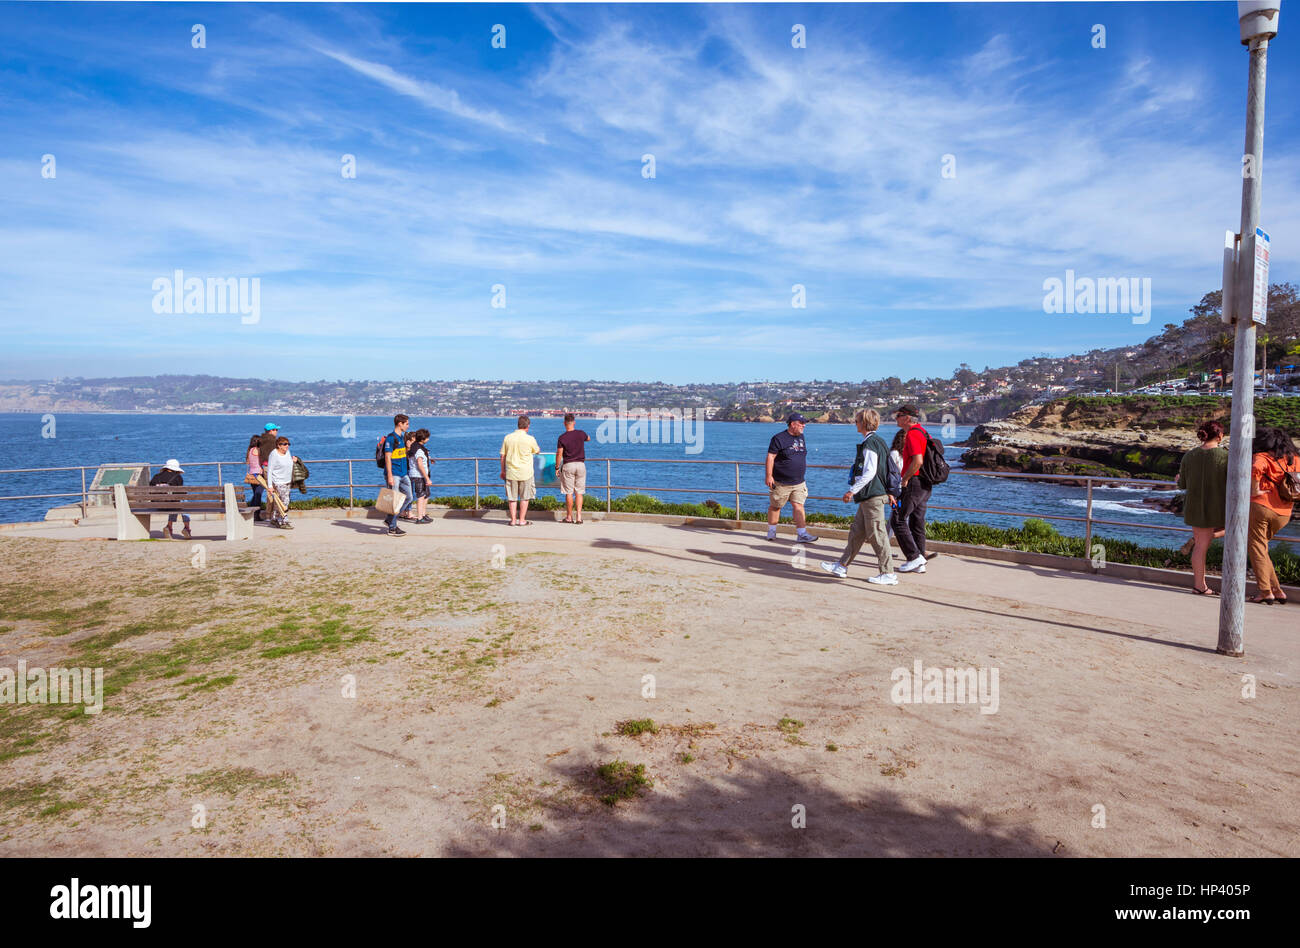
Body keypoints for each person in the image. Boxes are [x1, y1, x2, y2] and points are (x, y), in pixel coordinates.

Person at [820, 409, 897, 585]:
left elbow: (870, 472)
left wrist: (852, 490)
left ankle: (888, 573)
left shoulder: (870, 444)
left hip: (872, 496)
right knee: (857, 533)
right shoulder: (879, 442)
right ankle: (841, 565)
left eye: (856, 421)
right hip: (869, 496)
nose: (855, 423)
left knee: (877, 534)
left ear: (864, 423)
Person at [1247, 427, 1299, 605]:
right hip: (1284, 513)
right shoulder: (1295, 459)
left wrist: (1255, 489)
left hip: (1261, 507)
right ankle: (1277, 590)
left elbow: (1255, 469)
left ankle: (1265, 592)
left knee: (1257, 548)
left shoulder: (1263, 457)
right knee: (1261, 549)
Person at [1176, 420, 1228, 595]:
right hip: (1219, 507)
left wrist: (1178, 479)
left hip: (1195, 506)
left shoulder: (1189, 456)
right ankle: (1200, 586)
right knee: (1235, 530)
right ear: (1220, 436)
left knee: (1200, 545)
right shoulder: (1226, 456)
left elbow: (1182, 484)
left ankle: (1200, 584)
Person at [891, 404, 933, 574]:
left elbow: (917, 461)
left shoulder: (913, 434)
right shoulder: (923, 432)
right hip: (925, 484)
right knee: (917, 521)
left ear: (907, 418)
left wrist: (905, 479)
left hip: (914, 482)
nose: (896, 418)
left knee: (898, 519)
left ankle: (914, 557)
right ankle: (920, 560)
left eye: (899, 415)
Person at [765, 412, 817, 544]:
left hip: (799, 481)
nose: (804, 425)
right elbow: (771, 457)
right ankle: (771, 531)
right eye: (801, 423)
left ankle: (802, 534)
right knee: (776, 506)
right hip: (781, 482)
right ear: (793, 424)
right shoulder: (778, 438)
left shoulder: (801, 437)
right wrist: (769, 476)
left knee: (799, 506)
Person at [500, 415, 541, 526]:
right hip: (526, 473)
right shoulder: (530, 439)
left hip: (511, 472)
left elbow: (502, 456)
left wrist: (502, 471)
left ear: (518, 425)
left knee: (512, 498)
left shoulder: (508, 438)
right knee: (525, 497)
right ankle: (521, 520)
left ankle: (513, 520)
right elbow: (537, 451)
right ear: (528, 426)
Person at [381, 414, 413, 537]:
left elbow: (401, 454)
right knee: (395, 501)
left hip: (403, 473)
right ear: (400, 424)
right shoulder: (391, 438)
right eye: (407, 424)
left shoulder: (401, 438)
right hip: (394, 473)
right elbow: (388, 458)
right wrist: (389, 475)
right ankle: (392, 528)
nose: (408, 426)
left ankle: (390, 518)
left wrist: (408, 448)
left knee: (409, 497)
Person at [556, 413, 591, 524]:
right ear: (574, 422)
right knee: (579, 492)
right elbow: (588, 438)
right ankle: (579, 517)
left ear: (564, 423)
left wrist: (557, 467)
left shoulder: (562, 437)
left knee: (569, 492)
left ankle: (569, 517)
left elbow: (559, 454)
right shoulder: (581, 433)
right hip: (581, 465)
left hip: (568, 465)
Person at [150, 459, 191, 540]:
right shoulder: (177, 477)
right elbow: (180, 494)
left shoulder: (156, 477)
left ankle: (169, 527)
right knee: (181, 501)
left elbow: (150, 491)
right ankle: (186, 528)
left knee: (174, 502)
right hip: (172, 505)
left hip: (157, 505)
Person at [265, 436, 298, 529]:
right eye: (284, 444)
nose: (287, 446)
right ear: (279, 445)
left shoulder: (287, 453)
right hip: (278, 481)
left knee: (279, 501)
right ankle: (284, 520)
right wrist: (270, 486)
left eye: (288, 444)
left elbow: (288, 463)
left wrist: (293, 461)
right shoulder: (274, 454)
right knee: (285, 501)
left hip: (287, 480)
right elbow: (270, 470)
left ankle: (274, 518)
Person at [408, 428, 434, 524]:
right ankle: (419, 518)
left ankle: (423, 514)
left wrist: (429, 459)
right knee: (421, 495)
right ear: (423, 439)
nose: (428, 439)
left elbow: (421, 457)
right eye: (427, 438)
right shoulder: (418, 449)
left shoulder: (415, 446)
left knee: (426, 494)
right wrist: (427, 478)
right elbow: (419, 464)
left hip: (419, 475)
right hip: (419, 475)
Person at [245, 435, 266, 515]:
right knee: (258, 494)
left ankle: (251, 512)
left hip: (252, 474)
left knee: (255, 494)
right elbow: (263, 460)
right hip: (259, 474)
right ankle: (256, 514)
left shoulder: (250, 450)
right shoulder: (257, 450)